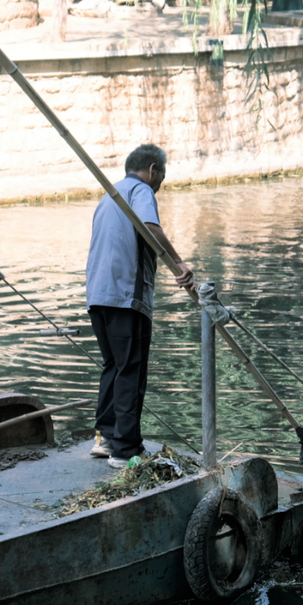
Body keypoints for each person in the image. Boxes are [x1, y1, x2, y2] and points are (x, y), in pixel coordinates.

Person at [85, 144, 194, 468]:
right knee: (131, 368)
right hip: (124, 295)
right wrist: (179, 264)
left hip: (98, 294)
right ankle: (126, 450)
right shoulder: (140, 190)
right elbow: (150, 228)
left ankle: (105, 439)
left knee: (114, 366)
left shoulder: (109, 195)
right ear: (152, 169)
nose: (160, 183)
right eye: (161, 175)